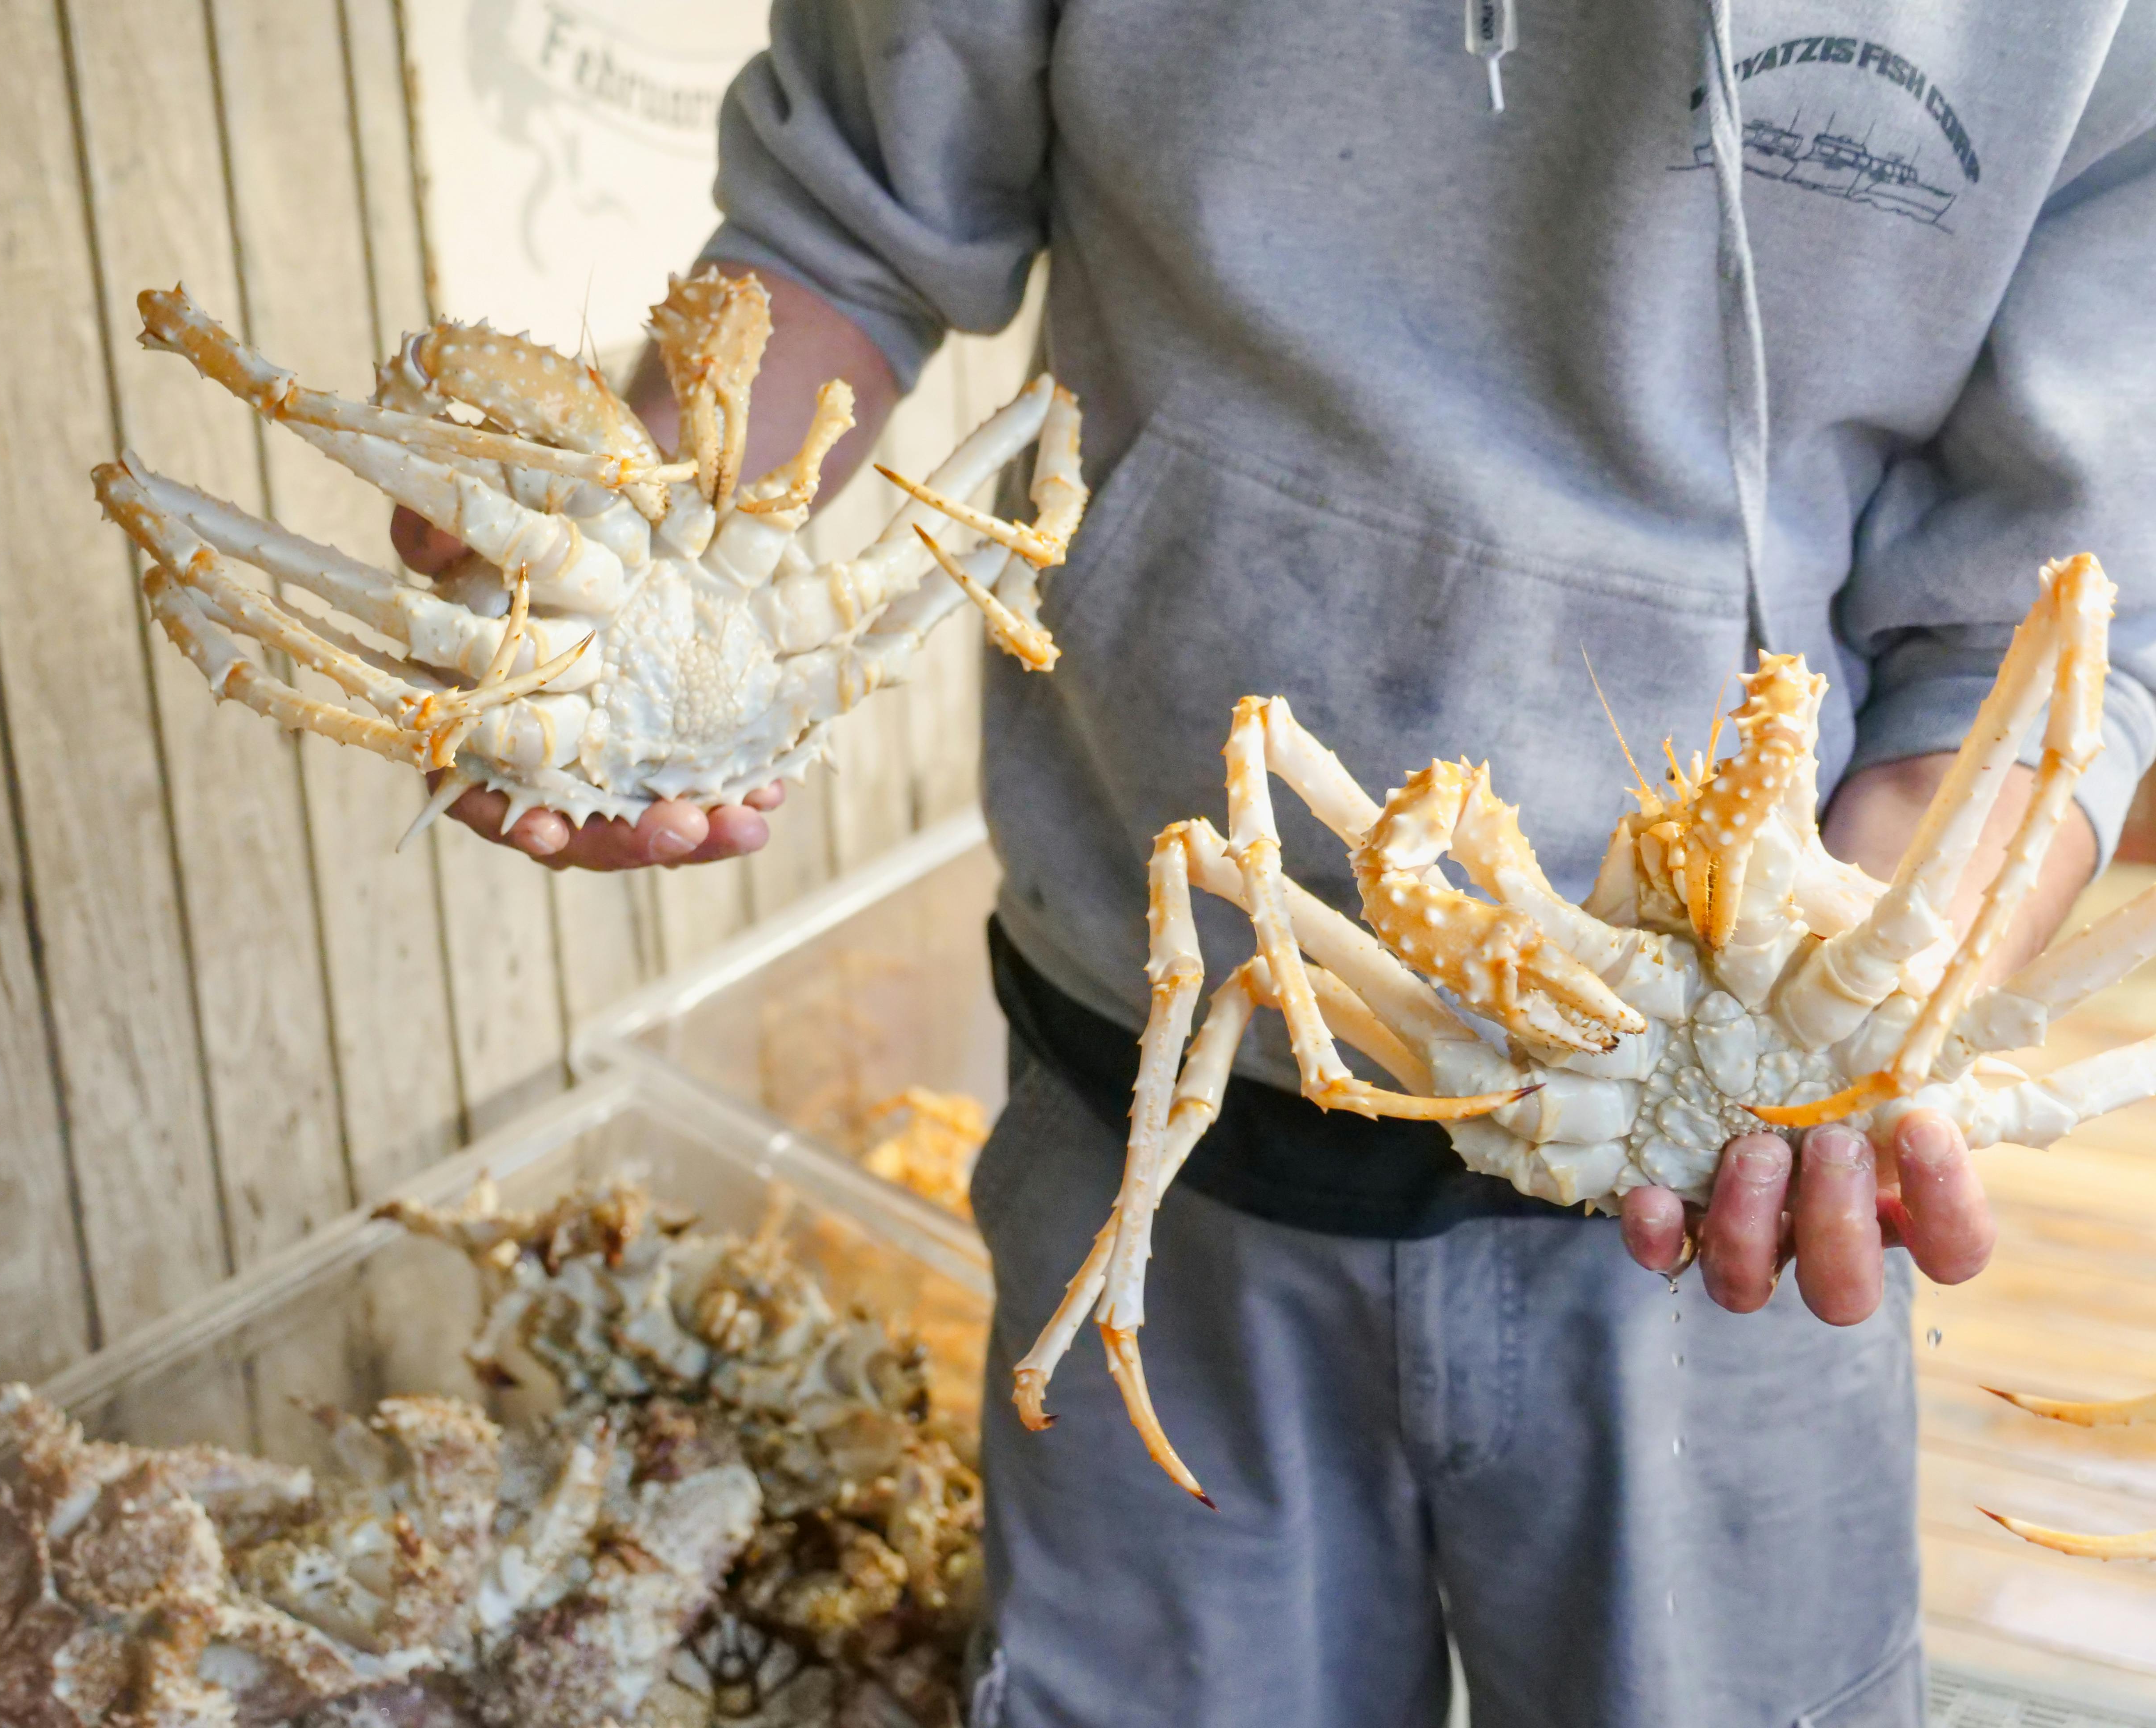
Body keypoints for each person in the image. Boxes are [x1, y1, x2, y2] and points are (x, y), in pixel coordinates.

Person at [400, 3, 2156, 1722]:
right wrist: (628, 571)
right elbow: (843, 218)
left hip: (1731, 1231)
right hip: (1148, 1113)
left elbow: (2065, 622)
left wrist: (1873, 1024)